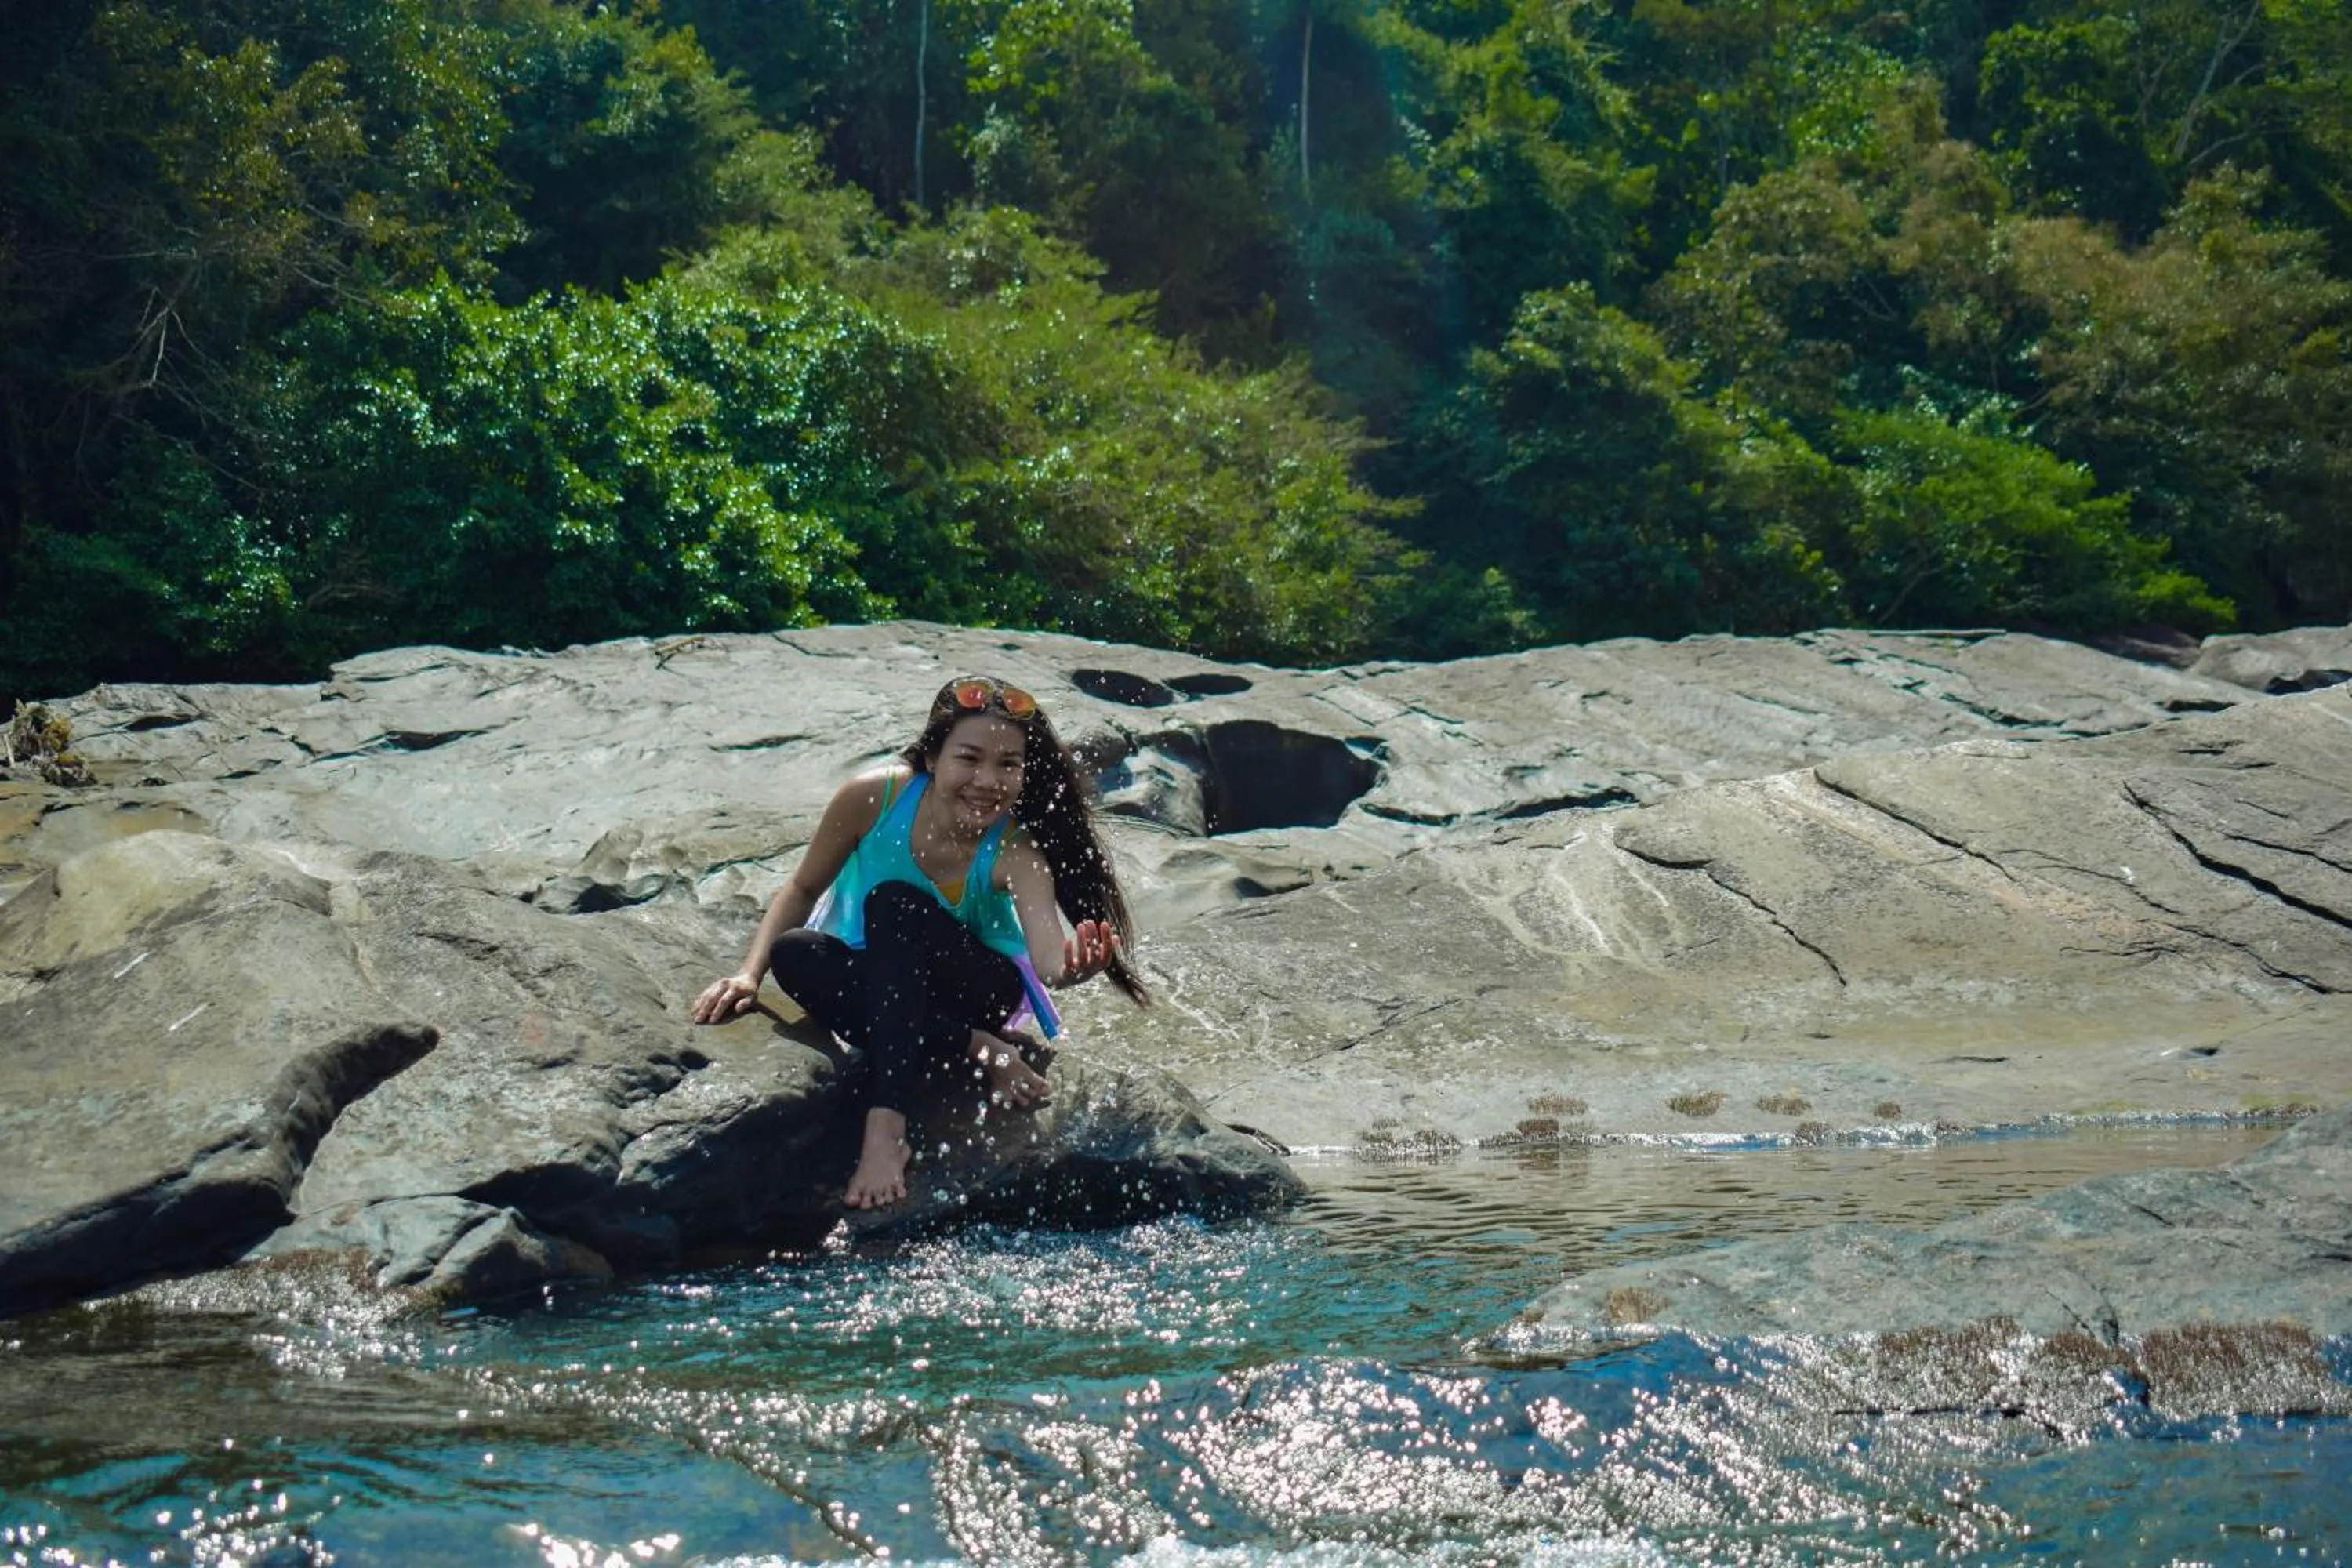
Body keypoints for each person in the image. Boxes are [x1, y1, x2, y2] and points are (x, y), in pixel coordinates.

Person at [691, 675, 1149, 1208]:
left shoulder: (1017, 849)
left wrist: (1076, 969)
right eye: (969, 759)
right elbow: (803, 886)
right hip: (888, 978)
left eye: (1008, 765)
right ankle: (975, 1045)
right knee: (793, 953)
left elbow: (1047, 965)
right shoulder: (873, 797)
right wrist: (749, 974)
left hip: (976, 988)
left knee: (893, 903)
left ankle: (885, 1129)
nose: (987, 780)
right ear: (933, 756)